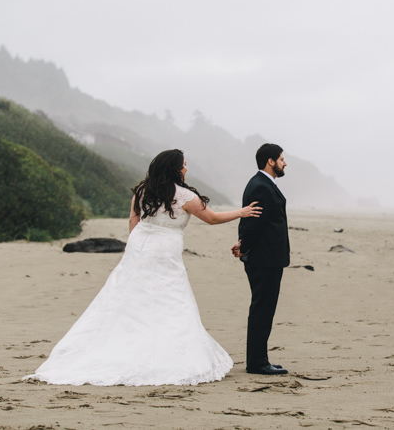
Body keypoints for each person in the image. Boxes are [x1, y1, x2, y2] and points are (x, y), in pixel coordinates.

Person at [24, 149, 261, 386]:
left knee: (130, 297)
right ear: (176, 169)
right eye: (185, 164)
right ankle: (165, 354)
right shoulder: (186, 196)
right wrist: (241, 212)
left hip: (140, 246)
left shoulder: (142, 190)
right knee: (170, 298)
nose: (186, 168)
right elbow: (212, 218)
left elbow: (133, 220)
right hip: (165, 249)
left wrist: (135, 249)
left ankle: (120, 344)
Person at [231, 143, 290, 375]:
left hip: (267, 257)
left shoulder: (262, 184)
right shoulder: (260, 186)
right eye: (282, 159)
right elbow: (253, 222)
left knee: (264, 308)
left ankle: (260, 358)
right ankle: (256, 362)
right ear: (270, 161)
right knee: (262, 309)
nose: (285, 162)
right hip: (264, 259)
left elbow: (250, 220)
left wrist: (242, 243)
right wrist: (244, 246)